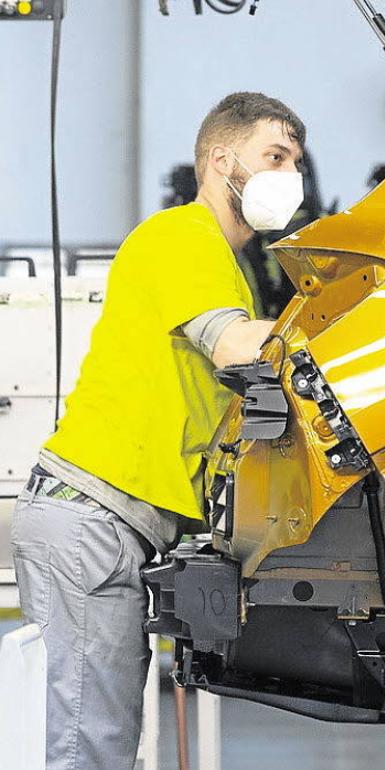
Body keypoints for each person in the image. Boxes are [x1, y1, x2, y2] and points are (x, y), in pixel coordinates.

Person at [10, 91, 306, 770]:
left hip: (111, 524)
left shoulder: (224, 263)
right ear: (221, 159)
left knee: (104, 738)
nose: (290, 174)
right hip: (91, 518)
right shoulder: (182, 234)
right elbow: (236, 346)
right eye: (275, 156)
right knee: (90, 743)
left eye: (296, 160)